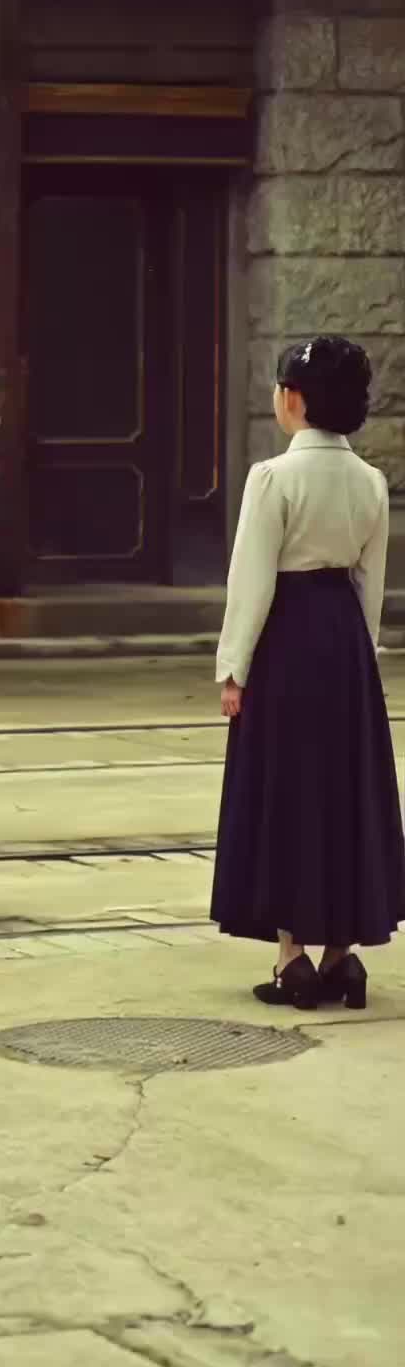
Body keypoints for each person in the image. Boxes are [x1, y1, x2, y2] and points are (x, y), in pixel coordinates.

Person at [212, 336, 405, 1010]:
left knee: (288, 793)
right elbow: (370, 585)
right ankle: (343, 958)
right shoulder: (370, 482)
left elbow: (252, 582)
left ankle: (291, 957)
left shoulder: (273, 478)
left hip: (287, 641)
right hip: (344, 642)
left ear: (292, 400)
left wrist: (234, 668)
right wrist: (360, 659)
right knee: (342, 792)